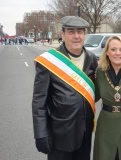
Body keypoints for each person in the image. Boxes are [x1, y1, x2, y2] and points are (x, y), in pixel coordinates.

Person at [32, 16, 98, 160]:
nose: (76, 36)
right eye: (71, 32)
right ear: (62, 35)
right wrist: (40, 133)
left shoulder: (92, 59)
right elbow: (39, 102)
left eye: (80, 32)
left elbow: (93, 92)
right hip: (59, 135)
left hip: (85, 134)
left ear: (84, 35)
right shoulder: (48, 61)